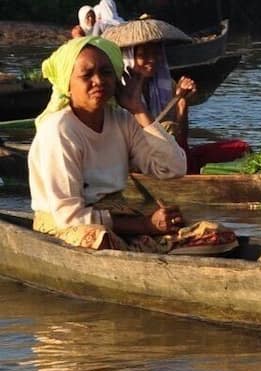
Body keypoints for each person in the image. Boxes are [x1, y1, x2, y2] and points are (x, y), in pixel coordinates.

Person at [26, 37, 229, 253]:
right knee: (100, 240)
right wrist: (145, 225)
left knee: (217, 234)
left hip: (118, 218)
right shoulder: (59, 130)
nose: (99, 81)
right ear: (68, 83)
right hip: (65, 226)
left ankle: (143, 252)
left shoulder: (122, 120)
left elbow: (173, 167)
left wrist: (139, 109)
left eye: (106, 73)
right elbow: (70, 217)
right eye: (87, 75)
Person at [109, 19, 250, 174]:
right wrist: (137, 108)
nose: (152, 60)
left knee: (240, 147)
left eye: (156, 54)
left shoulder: (166, 85)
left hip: (168, 153)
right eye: (143, 55)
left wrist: (182, 103)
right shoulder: (118, 90)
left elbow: (179, 137)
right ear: (129, 57)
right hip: (132, 158)